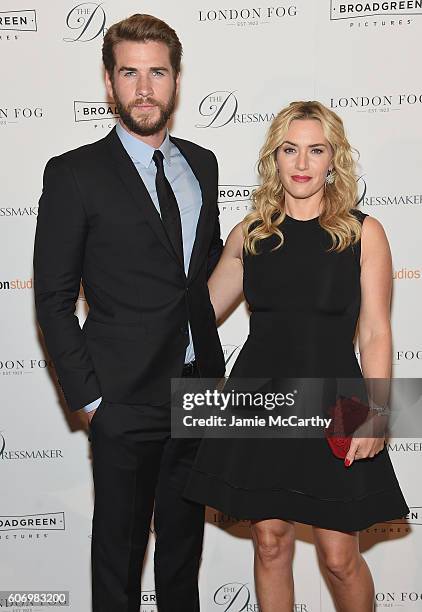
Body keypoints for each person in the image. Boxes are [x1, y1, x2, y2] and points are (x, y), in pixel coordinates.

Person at [184, 101, 409, 612]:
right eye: (290, 149)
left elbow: (375, 330)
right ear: (275, 158)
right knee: (270, 542)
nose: (301, 162)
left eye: (315, 149)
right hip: (258, 401)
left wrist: (377, 412)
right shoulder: (252, 235)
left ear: (334, 160)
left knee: (338, 555)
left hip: (339, 401)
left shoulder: (362, 233)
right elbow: (200, 314)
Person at [33, 14, 224, 612]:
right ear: (110, 81)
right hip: (122, 397)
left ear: (175, 78)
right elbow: (53, 300)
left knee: (183, 561)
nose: (145, 89)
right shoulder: (74, 173)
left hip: (199, 393)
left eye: (157, 73)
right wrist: (92, 402)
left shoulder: (204, 164)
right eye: (130, 73)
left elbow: (205, 277)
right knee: (117, 565)